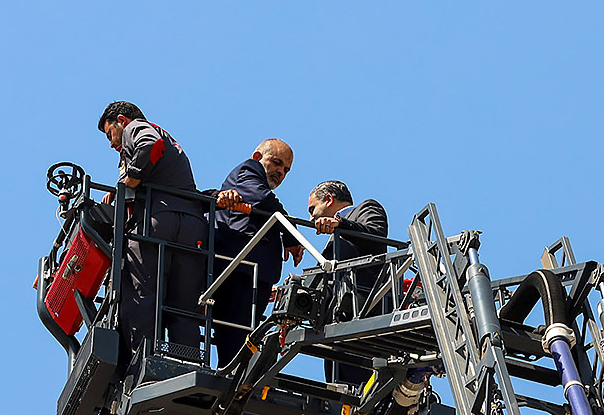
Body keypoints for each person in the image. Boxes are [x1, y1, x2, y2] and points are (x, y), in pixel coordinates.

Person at [97, 101, 207, 360]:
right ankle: (187, 362)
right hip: (192, 227)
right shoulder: (169, 139)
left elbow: (149, 146)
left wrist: (129, 180)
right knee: (183, 307)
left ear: (121, 121)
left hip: (156, 222)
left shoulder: (137, 129)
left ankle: (143, 362)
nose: (112, 144)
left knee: (142, 298)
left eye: (110, 134)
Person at [210, 139, 305, 366]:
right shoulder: (248, 170)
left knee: (242, 338)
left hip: (249, 271)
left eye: (286, 170)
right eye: (276, 163)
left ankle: (236, 379)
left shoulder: (255, 179)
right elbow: (263, 200)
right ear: (257, 157)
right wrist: (291, 235)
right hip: (239, 269)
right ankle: (234, 380)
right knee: (237, 339)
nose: (280, 172)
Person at [308, 180, 388, 385]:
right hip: (336, 321)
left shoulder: (366, 208)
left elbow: (377, 235)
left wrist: (341, 225)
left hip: (362, 310)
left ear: (328, 199)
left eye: (312, 209)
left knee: (362, 386)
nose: (311, 217)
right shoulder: (332, 240)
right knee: (340, 389)